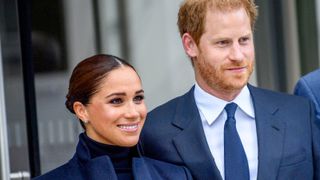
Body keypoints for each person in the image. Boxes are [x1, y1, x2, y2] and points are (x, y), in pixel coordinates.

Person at [139, 0, 320, 180]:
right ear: (190, 45)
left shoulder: (299, 113)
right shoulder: (154, 132)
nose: (238, 55)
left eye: (244, 40)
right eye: (223, 43)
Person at [34, 54, 192, 180]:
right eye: (116, 101)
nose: (133, 113)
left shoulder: (176, 176)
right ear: (82, 111)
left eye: (138, 98)